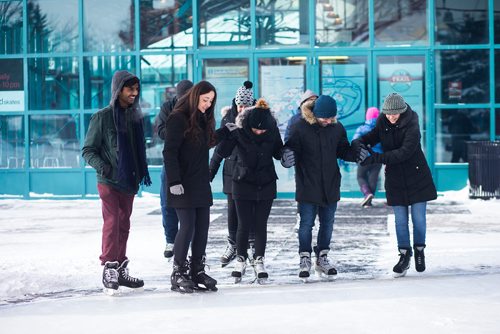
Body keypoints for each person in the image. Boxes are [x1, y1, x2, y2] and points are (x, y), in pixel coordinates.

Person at [82, 70, 152, 294]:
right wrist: (105, 167)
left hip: (129, 180)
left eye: (136, 89)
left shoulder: (135, 118)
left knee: (124, 224)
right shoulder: (102, 117)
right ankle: (109, 266)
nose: (134, 93)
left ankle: (120, 268)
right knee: (112, 221)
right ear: (118, 89)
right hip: (108, 179)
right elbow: (87, 150)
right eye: (130, 88)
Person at [163, 80, 235, 293]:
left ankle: (196, 270)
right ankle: (178, 272)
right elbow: (169, 152)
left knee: (202, 228)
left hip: (200, 182)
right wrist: (174, 181)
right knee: (187, 227)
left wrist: (224, 131)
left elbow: (207, 142)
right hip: (182, 184)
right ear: (195, 97)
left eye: (211, 101)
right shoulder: (177, 118)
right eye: (205, 100)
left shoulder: (202, 118)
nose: (207, 104)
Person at [355, 93, 437, 277]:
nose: (391, 117)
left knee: (418, 219)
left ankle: (419, 250)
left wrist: (374, 158)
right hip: (395, 178)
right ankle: (404, 255)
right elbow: (371, 136)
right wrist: (358, 143)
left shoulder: (412, 124)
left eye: (395, 114)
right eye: (388, 114)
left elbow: (403, 153)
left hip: (417, 177)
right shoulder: (382, 122)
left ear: (401, 111)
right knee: (400, 221)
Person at [283, 95, 357, 281]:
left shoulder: (336, 127)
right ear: (315, 114)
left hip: (330, 184)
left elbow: (342, 149)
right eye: (325, 118)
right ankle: (305, 258)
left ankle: (322, 257)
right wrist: (286, 156)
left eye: (331, 118)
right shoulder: (299, 126)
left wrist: (356, 153)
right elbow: (289, 149)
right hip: (308, 184)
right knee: (306, 224)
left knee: (328, 223)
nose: (329, 121)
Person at [216, 98, 285, 283]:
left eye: (263, 129)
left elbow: (278, 151)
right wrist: (225, 136)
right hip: (242, 181)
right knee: (243, 224)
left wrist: (286, 155)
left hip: (266, 182)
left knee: (260, 224)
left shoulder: (271, 129)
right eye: (256, 129)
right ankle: (241, 259)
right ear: (248, 124)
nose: (260, 132)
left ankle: (259, 260)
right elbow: (221, 151)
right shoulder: (239, 131)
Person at [209, 81, 256, 267]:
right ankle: (233, 245)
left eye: (245, 105)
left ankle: (252, 247)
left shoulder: (256, 118)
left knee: (250, 211)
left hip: (250, 172)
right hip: (231, 172)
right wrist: (210, 172)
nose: (242, 108)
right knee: (232, 211)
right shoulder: (228, 118)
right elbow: (219, 149)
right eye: (240, 105)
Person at [156, 79, 193, 258]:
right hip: (170, 162)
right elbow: (160, 130)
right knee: (167, 202)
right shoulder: (167, 108)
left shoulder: (198, 107)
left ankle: (189, 239)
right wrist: (178, 131)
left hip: (191, 164)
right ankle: (170, 239)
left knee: (191, 203)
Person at [352, 107, 383, 207]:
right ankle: (369, 202)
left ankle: (367, 194)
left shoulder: (361, 129)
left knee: (360, 176)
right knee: (373, 178)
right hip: (377, 158)